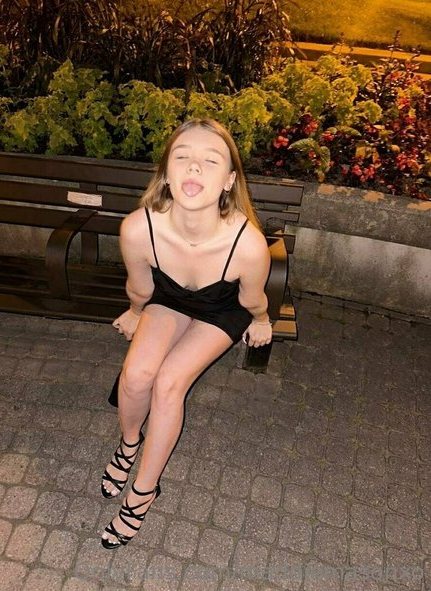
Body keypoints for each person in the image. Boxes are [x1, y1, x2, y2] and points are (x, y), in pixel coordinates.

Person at [100, 118, 273, 549]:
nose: (194, 167)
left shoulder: (247, 244)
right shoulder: (139, 227)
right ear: (165, 173)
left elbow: (253, 299)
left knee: (168, 382)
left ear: (229, 180)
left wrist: (263, 321)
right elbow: (140, 287)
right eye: (182, 157)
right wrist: (135, 312)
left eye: (210, 161)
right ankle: (128, 444)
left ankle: (143, 491)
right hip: (170, 297)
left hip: (222, 307)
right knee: (136, 375)